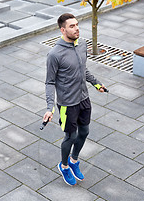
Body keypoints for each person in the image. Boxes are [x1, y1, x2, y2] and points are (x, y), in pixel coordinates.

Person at [43, 13, 106, 186]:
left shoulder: (82, 44)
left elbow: (82, 70)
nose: (77, 28)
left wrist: (96, 83)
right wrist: (50, 107)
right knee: (71, 137)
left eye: (77, 24)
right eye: (72, 26)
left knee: (84, 132)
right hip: (67, 104)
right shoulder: (55, 54)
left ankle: (73, 160)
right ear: (63, 30)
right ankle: (63, 166)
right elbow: (49, 82)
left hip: (83, 99)